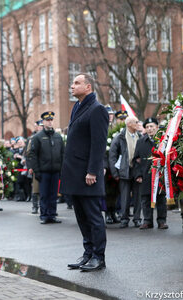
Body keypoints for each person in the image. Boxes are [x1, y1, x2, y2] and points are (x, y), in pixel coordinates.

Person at [60, 73, 109, 271]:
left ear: (88, 87)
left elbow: (98, 145)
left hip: (88, 175)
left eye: (77, 83)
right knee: (81, 216)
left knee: (93, 217)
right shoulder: (78, 107)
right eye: (72, 83)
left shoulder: (97, 109)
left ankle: (99, 256)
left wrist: (92, 171)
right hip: (75, 174)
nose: (72, 86)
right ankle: (88, 254)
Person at [28, 111, 64, 224]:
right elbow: (33, 155)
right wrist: (36, 171)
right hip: (43, 171)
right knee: (44, 194)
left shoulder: (58, 137)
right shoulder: (38, 137)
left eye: (51, 120)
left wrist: (62, 169)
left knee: (53, 195)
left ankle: (52, 215)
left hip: (55, 170)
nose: (50, 122)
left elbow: (63, 154)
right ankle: (44, 215)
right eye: (47, 120)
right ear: (43, 122)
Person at [133, 117, 168, 230]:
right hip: (145, 175)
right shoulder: (140, 142)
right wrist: (138, 175)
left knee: (161, 198)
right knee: (145, 199)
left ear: (157, 127)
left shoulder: (163, 141)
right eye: (147, 127)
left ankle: (162, 221)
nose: (149, 129)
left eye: (152, 126)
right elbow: (136, 160)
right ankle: (147, 221)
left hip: (160, 175)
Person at [109, 116, 142, 228]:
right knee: (124, 197)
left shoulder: (141, 136)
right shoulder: (119, 137)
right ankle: (124, 218)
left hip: (137, 171)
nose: (138, 124)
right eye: (136, 122)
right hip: (124, 170)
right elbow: (112, 156)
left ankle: (137, 219)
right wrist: (115, 173)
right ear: (129, 124)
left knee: (137, 196)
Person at [27, 120, 44, 214]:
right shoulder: (33, 138)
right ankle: (35, 206)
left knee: (45, 188)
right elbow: (29, 153)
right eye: (40, 126)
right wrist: (30, 166)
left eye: (42, 125)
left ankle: (44, 206)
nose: (41, 127)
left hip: (47, 165)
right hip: (36, 165)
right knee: (36, 188)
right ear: (37, 127)